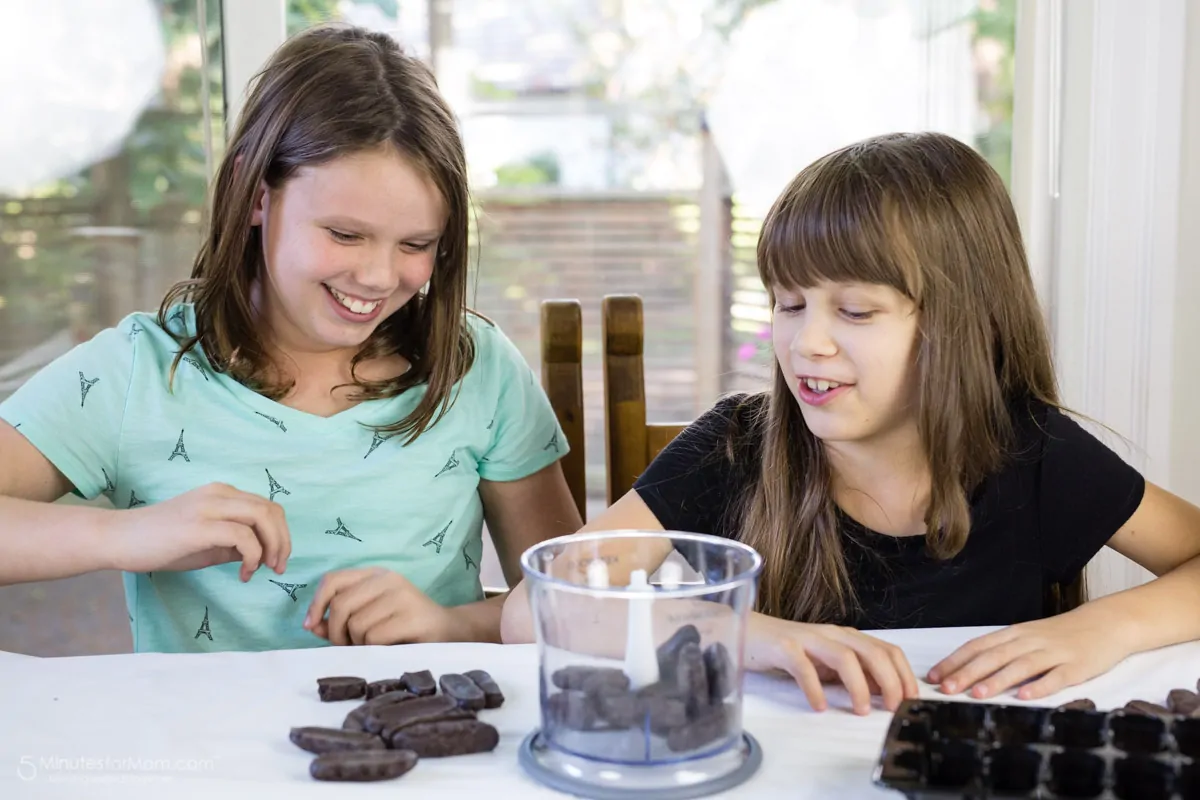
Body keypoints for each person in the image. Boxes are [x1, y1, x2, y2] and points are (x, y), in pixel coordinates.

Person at [501, 131, 1200, 715]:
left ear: (962, 323)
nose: (808, 343)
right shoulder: (736, 446)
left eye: (856, 311)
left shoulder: (1032, 451)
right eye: (789, 303)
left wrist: (1105, 628)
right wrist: (745, 633)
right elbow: (534, 608)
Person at [0, 24, 582, 653]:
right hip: (203, 748)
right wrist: (121, 535)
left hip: (426, 742)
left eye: (416, 245)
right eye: (345, 234)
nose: (379, 277)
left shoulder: (478, 368)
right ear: (257, 193)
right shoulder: (135, 372)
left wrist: (449, 626)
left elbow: (573, 606)